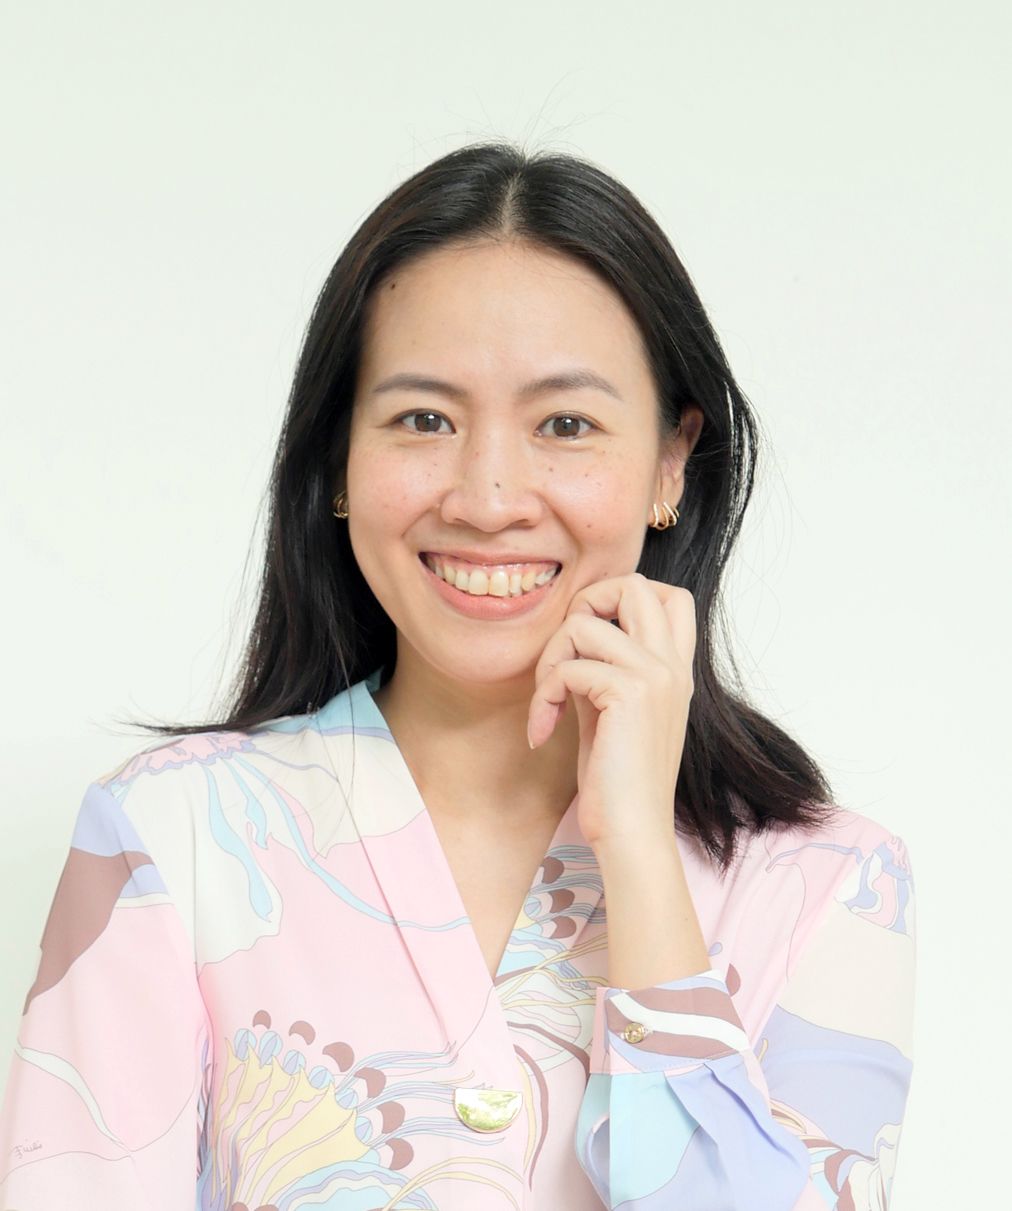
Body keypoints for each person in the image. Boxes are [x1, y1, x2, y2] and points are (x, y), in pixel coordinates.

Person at [0, 141, 916, 1210]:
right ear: (337, 456)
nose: (486, 495)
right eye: (422, 418)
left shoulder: (828, 884)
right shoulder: (172, 835)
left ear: (671, 463)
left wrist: (636, 852)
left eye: (564, 424)